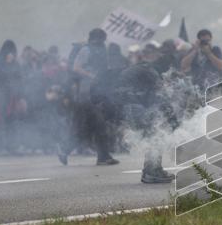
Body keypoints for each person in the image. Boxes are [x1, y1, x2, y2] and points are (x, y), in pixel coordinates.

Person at [115, 43, 176, 184]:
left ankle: (152, 170)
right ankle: (152, 172)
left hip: (127, 108)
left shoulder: (140, 68)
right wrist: (172, 116)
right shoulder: (151, 71)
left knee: (153, 135)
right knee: (156, 135)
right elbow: (161, 94)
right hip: (135, 107)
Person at [70, 28, 118, 165]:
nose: (101, 42)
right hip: (87, 91)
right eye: (100, 39)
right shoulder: (86, 50)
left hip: (98, 90)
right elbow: (76, 67)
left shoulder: (102, 50)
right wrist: (91, 76)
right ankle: (103, 156)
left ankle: (103, 156)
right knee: (95, 123)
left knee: (93, 124)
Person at [180, 29, 222, 101]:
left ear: (211, 40)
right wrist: (195, 50)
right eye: (203, 41)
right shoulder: (194, 50)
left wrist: (209, 53)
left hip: (213, 88)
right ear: (198, 41)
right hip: (196, 88)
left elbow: (220, 66)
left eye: (207, 41)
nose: (205, 43)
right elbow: (183, 65)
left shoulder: (215, 50)